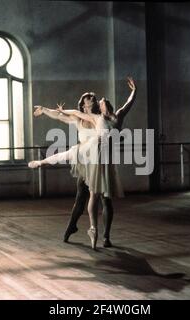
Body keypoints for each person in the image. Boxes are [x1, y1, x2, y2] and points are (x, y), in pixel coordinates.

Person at [63, 77, 137, 247]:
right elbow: (72, 114)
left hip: (103, 161)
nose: (98, 102)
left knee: (105, 199)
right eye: (91, 101)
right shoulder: (87, 118)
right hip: (87, 161)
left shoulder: (105, 117)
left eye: (98, 101)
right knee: (81, 195)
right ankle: (71, 227)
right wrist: (49, 110)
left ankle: (105, 236)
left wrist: (134, 91)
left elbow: (127, 105)